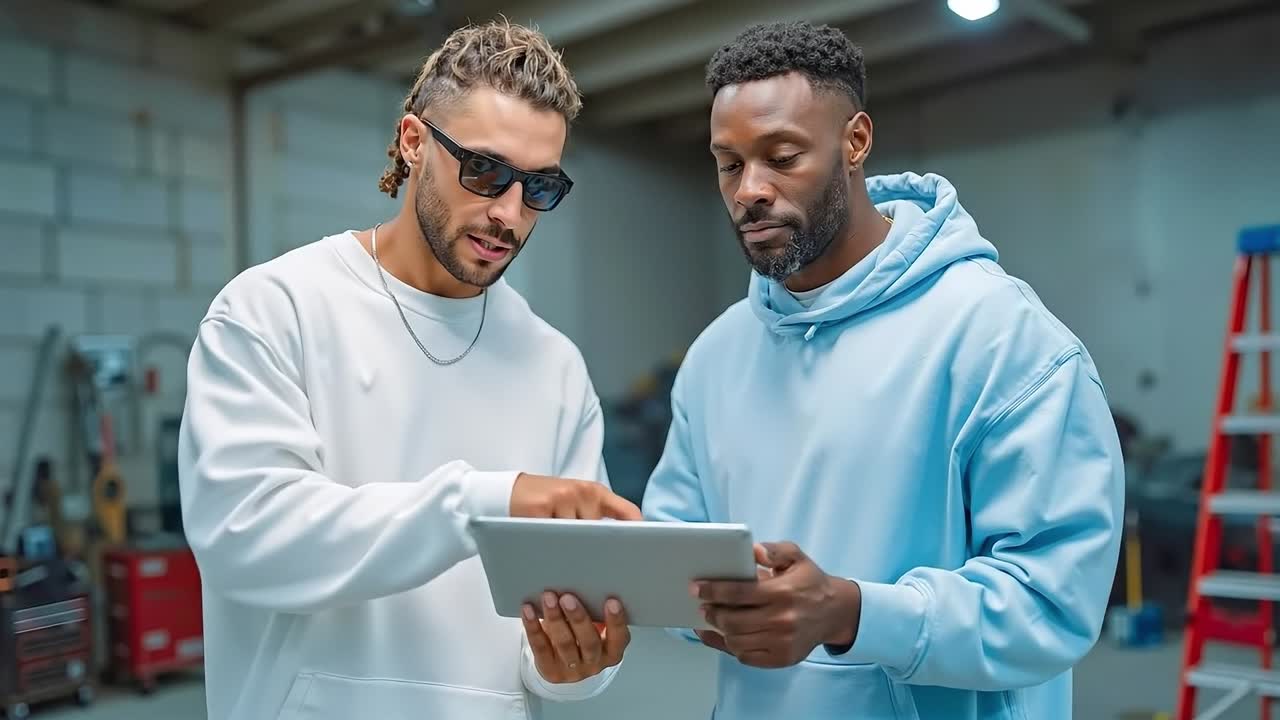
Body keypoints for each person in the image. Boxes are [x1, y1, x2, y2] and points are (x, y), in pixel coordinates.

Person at [641, 20, 1124, 720]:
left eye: (781, 156)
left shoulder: (1004, 341)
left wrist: (849, 613)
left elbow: (1053, 602)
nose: (750, 189)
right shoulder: (716, 357)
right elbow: (675, 554)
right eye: (729, 164)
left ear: (855, 142)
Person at [179, 19, 639, 720]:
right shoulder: (275, 309)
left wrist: (574, 666)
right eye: (485, 171)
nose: (508, 214)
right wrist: (483, 503)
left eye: (539, 188)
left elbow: (559, 632)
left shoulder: (556, 368)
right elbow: (245, 539)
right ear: (414, 142)